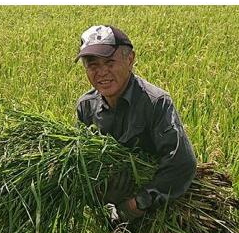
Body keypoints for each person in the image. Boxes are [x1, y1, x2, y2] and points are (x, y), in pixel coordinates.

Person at [75, 25, 197, 222]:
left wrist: (137, 204)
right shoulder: (86, 106)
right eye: (92, 65)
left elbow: (182, 163)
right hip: (106, 209)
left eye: (110, 62)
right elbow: (81, 163)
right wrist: (101, 198)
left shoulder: (155, 103)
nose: (102, 72)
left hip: (156, 210)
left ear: (130, 59)